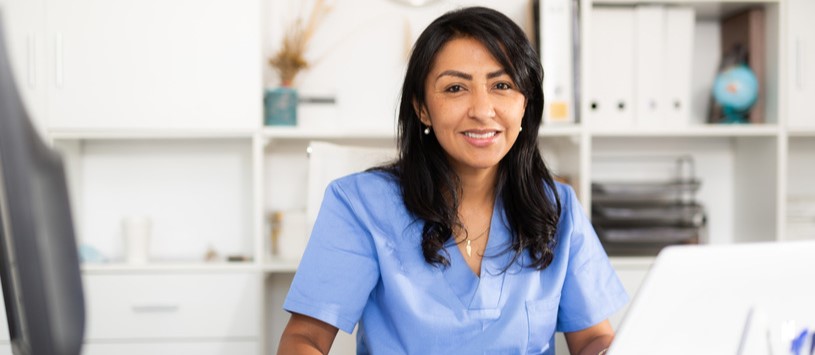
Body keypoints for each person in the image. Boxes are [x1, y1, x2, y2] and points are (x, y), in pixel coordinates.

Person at [278, 6, 627, 355]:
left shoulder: (557, 207)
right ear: (422, 107)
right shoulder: (359, 204)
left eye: (502, 85)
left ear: (525, 104)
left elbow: (594, 339)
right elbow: (303, 340)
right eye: (456, 88)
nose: (481, 109)